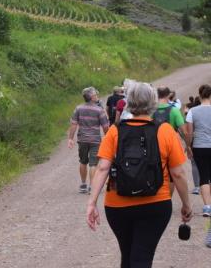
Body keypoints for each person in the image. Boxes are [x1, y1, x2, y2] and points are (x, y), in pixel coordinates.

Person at [87, 82, 192, 268]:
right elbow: (178, 173)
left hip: (117, 205)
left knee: (128, 256)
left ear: (128, 102)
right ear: (152, 103)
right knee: (142, 257)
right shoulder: (165, 130)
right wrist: (186, 204)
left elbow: (103, 168)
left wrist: (92, 203)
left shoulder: (115, 131)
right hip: (155, 205)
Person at [68, 87, 109, 194]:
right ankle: (92, 186)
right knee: (93, 163)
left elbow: (73, 124)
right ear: (91, 97)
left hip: (82, 139)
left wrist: (70, 138)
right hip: (95, 140)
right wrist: (107, 137)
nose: (97, 96)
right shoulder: (99, 110)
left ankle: (83, 184)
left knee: (82, 161)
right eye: (95, 94)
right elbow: (105, 126)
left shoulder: (78, 108)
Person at [185, 84, 211, 218]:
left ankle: (207, 207)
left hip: (200, 147)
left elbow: (189, 133)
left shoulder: (192, 111)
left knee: (204, 177)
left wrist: (188, 146)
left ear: (200, 96)